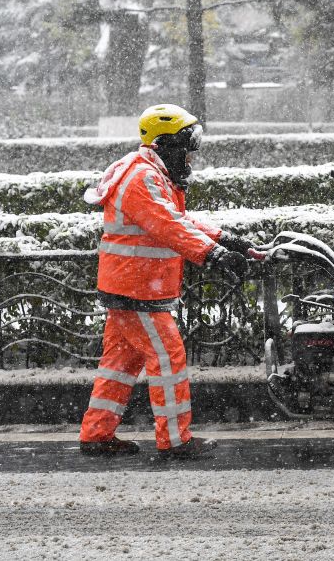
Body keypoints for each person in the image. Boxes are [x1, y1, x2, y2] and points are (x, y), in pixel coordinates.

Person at [79, 104, 255, 459]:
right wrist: (213, 254)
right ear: (164, 145)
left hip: (129, 288)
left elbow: (178, 218)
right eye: (186, 150)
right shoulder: (141, 177)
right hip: (137, 290)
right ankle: (175, 441)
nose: (189, 160)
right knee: (168, 359)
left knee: (119, 363)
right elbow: (167, 225)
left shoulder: (150, 173)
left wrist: (225, 239)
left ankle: (96, 434)